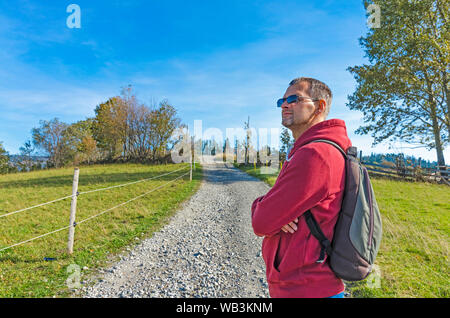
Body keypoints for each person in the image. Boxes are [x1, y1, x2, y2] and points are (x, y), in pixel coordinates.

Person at [251, 77, 351, 298]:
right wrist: (277, 211)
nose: (285, 105)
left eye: (294, 98)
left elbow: (261, 222)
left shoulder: (315, 154)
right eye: (282, 101)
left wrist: (261, 205)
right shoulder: (313, 149)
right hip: (307, 284)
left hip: (307, 287)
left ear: (320, 106)